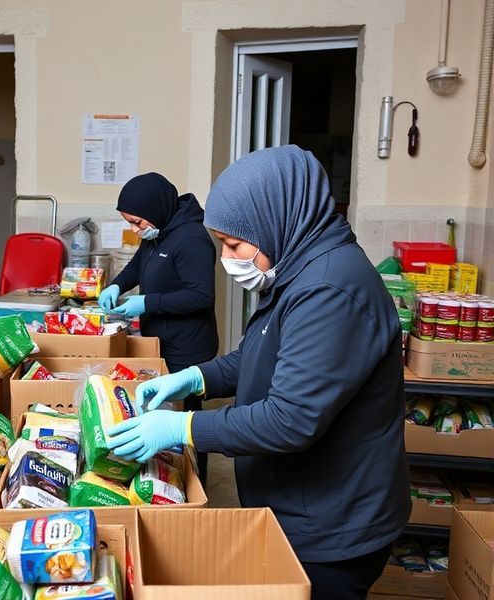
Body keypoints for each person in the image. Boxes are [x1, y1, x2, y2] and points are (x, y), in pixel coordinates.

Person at [106, 146, 410, 600]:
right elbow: (257, 355)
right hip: (301, 506)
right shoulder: (296, 269)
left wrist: (182, 425)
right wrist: (195, 378)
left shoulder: (329, 290)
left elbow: (290, 419)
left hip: (331, 526)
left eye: (234, 245)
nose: (229, 260)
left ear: (276, 220)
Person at [98, 172, 218, 483]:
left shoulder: (191, 239)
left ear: (155, 210)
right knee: (157, 412)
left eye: (137, 222)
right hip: (160, 340)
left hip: (188, 346)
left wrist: (146, 303)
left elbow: (201, 295)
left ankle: (194, 483)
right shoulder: (157, 232)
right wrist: (116, 286)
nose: (134, 229)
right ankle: (161, 477)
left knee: (184, 420)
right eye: (130, 222)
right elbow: (137, 266)